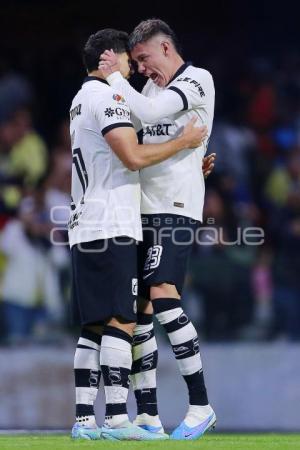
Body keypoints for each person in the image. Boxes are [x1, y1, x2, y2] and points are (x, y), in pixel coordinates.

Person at [69, 28, 206, 441]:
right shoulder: (108, 97)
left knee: (93, 325)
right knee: (121, 320)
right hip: (112, 220)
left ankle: (84, 421)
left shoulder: (78, 101)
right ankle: (116, 419)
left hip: (82, 221)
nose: (132, 67)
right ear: (110, 57)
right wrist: (183, 143)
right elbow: (131, 156)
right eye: (129, 59)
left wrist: (186, 164)